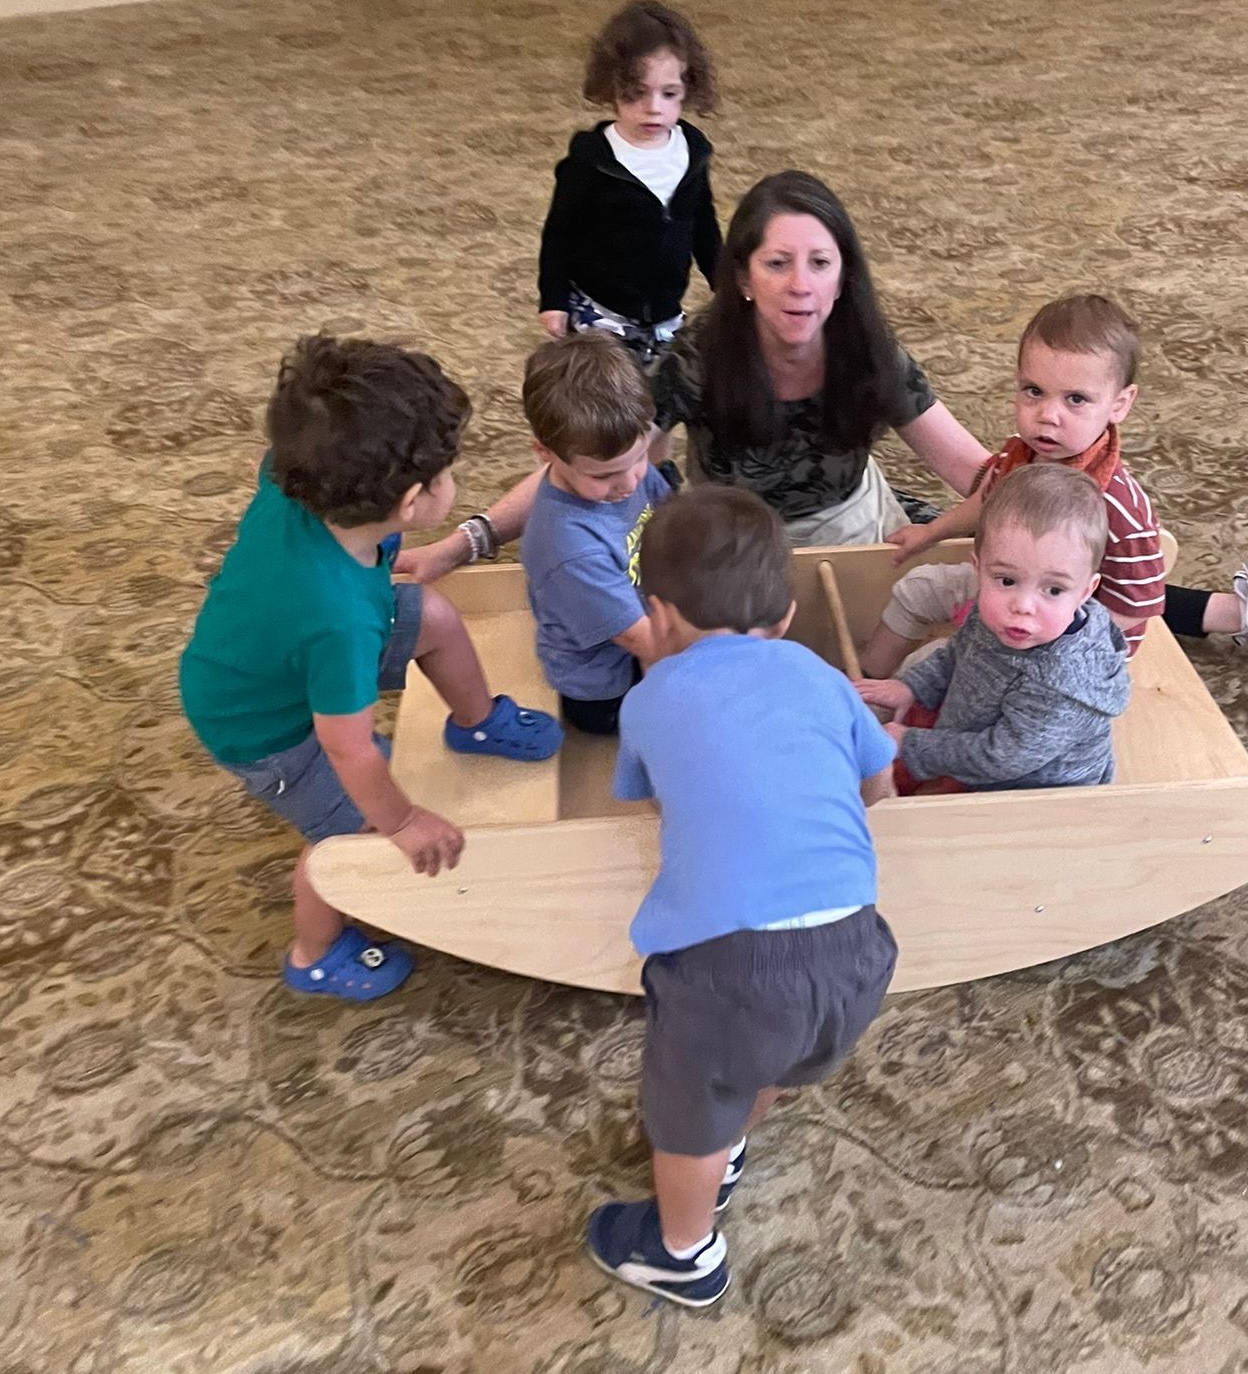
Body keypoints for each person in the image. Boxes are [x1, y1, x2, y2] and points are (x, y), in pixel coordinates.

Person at [585, 486, 899, 1309]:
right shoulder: (822, 676)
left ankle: (682, 1252)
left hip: (732, 976)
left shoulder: (649, 699)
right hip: (858, 958)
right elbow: (879, 783)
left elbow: (651, 804)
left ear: (659, 616)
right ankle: (728, 1149)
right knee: (767, 1059)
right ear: (787, 615)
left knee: (686, 1110)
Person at [179, 336, 562, 1001]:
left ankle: (476, 721)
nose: (454, 479)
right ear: (412, 503)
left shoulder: (300, 473)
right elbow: (347, 747)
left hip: (280, 648)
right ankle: (315, 953)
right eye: (447, 473)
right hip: (266, 729)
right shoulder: (337, 620)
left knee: (436, 619)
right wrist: (401, 821)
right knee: (349, 832)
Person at [396, 170, 992, 581]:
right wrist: (465, 543)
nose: (801, 286)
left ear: (844, 276)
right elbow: (589, 459)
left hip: (856, 529)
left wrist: (1073, 512)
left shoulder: (871, 353)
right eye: (777, 264)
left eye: (820, 263)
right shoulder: (699, 354)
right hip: (730, 547)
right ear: (742, 278)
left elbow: (974, 470)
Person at [869, 294, 1248, 674]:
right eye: (1033, 391)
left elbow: (1137, 608)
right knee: (918, 589)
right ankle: (865, 679)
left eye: (1076, 399)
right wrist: (932, 532)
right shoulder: (1024, 453)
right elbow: (989, 496)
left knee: (927, 670)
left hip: (1073, 644)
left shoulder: (1116, 505)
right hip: (1024, 593)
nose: (1047, 415)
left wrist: (1061, 652)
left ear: (1120, 404)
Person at [857, 464, 1130, 794]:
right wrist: (912, 687)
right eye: (1007, 580)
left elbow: (1002, 757)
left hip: (1030, 789)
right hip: (974, 731)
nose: (1023, 605)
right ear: (979, 570)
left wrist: (914, 745)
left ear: (1086, 591)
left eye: (1054, 590)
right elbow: (960, 653)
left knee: (916, 815)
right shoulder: (1005, 618)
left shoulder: (1063, 684)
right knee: (875, 746)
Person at [537, 0, 721, 368]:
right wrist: (553, 299)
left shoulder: (693, 154)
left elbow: (703, 225)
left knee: (664, 399)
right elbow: (560, 234)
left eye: (668, 94)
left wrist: (726, 283)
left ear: (689, 87)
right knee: (603, 404)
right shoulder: (591, 161)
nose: (653, 108)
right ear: (611, 87)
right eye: (636, 93)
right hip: (599, 313)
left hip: (666, 315)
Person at [519, 332, 673, 734]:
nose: (628, 483)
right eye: (603, 476)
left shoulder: (626, 467)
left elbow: (670, 519)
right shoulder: (569, 548)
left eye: (639, 458)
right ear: (545, 453)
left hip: (642, 611)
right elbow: (646, 644)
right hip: (601, 688)